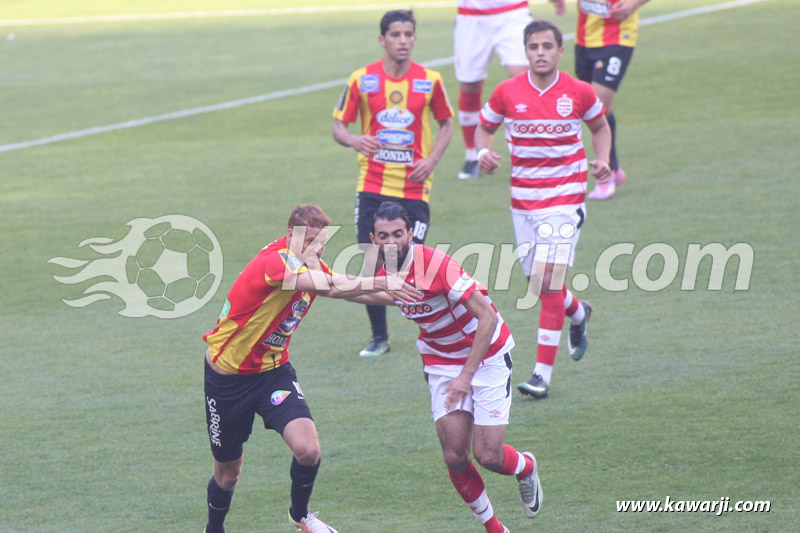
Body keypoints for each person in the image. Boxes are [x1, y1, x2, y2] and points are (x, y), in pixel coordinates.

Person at [202, 204, 421, 533]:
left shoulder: (308, 260)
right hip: (227, 381)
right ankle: (213, 528)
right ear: (291, 235)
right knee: (228, 474)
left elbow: (347, 292)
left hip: (273, 372)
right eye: (312, 242)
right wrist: (386, 281)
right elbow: (331, 287)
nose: (318, 249)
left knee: (308, 449)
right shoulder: (275, 263)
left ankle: (300, 516)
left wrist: (414, 298)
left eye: (323, 243)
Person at [355, 201, 543, 533]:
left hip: (486, 357)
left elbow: (486, 317)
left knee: (488, 455)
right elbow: (361, 293)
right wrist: (308, 282)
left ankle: (526, 467)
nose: (391, 242)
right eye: (382, 236)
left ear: (411, 234)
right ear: (373, 238)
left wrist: (466, 377)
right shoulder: (382, 272)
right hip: (441, 361)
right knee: (455, 456)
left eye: (398, 234)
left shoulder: (436, 265)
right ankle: (494, 528)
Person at [474, 20, 611, 399]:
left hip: (565, 199)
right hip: (523, 202)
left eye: (547, 46)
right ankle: (579, 312)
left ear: (559, 51)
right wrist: (483, 152)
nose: (540, 53)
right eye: (533, 46)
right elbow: (483, 128)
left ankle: (541, 376)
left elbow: (600, 127)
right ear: (526, 50)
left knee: (548, 282)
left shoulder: (578, 92)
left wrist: (602, 161)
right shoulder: (507, 92)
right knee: (539, 284)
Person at [332, 9, 454, 358]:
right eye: (396, 35)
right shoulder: (362, 79)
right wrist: (354, 140)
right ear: (382, 39)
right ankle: (379, 338)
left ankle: (436, 327)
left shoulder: (430, 80)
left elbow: (446, 124)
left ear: (415, 39)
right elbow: (339, 126)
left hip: (415, 187)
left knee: (411, 263)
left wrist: (431, 160)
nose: (403, 41)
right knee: (372, 264)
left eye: (408, 34)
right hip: (371, 182)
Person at [551, 0, 650, 200]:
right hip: (585, 40)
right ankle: (615, 169)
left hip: (618, 38)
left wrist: (632, 4)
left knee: (599, 105)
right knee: (592, 107)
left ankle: (607, 175)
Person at [453, 0, 533, 180]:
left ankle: (530, 151)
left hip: (513, 13)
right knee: (470, 85)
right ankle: (473, 155)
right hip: (472, 17)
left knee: (522, 80)